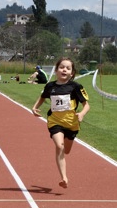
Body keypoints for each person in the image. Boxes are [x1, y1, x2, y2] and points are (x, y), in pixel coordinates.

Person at [32, 57, 90, 189]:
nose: (64, 69)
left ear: (72, 73)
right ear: (57, 70)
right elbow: (42, 97)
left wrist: (81, 114)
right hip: (54, 121)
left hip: (72, 124)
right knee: (60, 145)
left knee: (67, 150)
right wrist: (34, 107)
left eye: (68, 68)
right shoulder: (50, 86)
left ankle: (68, 142)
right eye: (62, 67)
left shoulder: (76, 87)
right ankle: (64, 177)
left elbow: (86, 105)